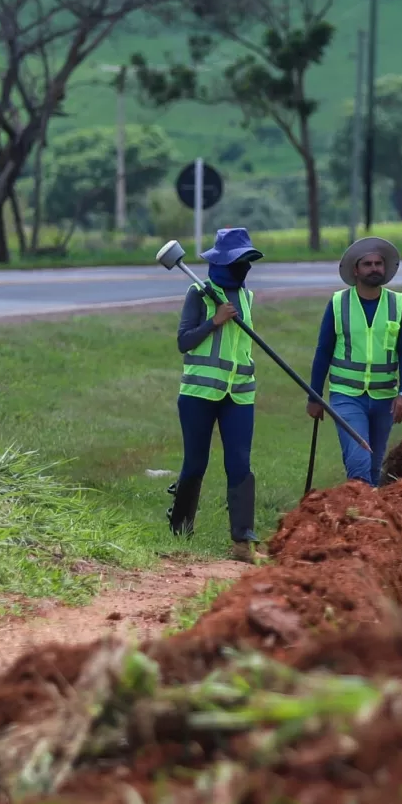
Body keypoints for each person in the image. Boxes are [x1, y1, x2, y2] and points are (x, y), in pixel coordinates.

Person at [169, 226, 265, 561]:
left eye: (247, 260)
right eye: (240, 260)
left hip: (239, 394)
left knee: (239, 463)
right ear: (223, 262)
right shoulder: (199, 293)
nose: (245, 267)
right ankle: (180, 530)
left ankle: (243, 539)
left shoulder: (248, 297)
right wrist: (215, 321)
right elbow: (184, 342)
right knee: (195, 463)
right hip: (199, 393)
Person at [311, 236, 402, 486]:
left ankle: (369, 520)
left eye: (378, 263)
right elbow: (323, 350)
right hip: (346, 395)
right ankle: (360, 514)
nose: (374, 268)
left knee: (374, 465)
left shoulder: (397, 303)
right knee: (359, 462)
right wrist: (314, 396)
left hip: (384, 398)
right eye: (367, 264)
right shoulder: (338, 303)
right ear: (356, 270)